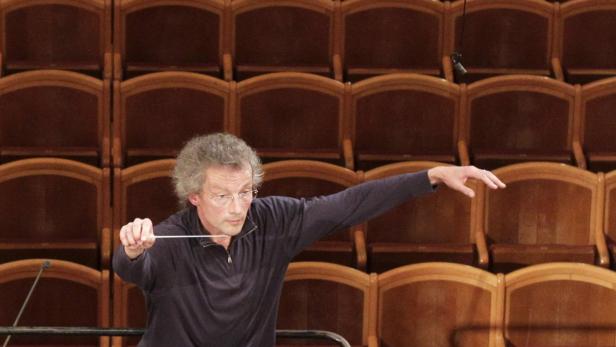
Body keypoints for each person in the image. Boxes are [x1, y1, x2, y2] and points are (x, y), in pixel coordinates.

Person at [113, 132, 505, 347]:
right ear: (194, 195)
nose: (237, 208)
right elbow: (133, 266)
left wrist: (429, 176)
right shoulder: (169, 236)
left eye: (246, 192)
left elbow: (348, 203)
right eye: (221, 196)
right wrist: (132, 248)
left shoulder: (272, 220)